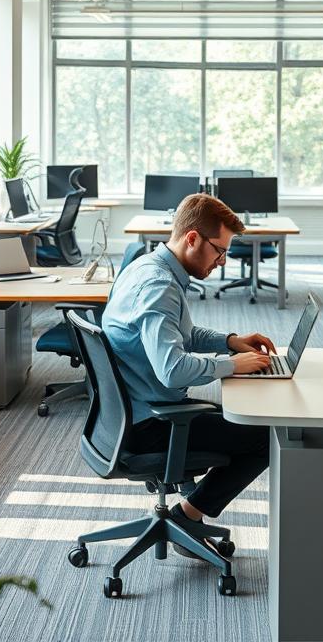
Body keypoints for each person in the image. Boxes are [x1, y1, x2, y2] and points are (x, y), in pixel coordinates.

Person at [102, 193, 274, 550]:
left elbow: (183, 335)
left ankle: (189, 511)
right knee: (264, 436)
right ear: (192, 238)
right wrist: (232, 365)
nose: (223, 262)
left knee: (234, 417)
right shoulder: (159, 286)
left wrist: (230, 341)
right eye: (219, 250)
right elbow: (173, 370)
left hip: (127, 413)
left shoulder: (147, 266)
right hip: (147, 425)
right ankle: (188, 515)